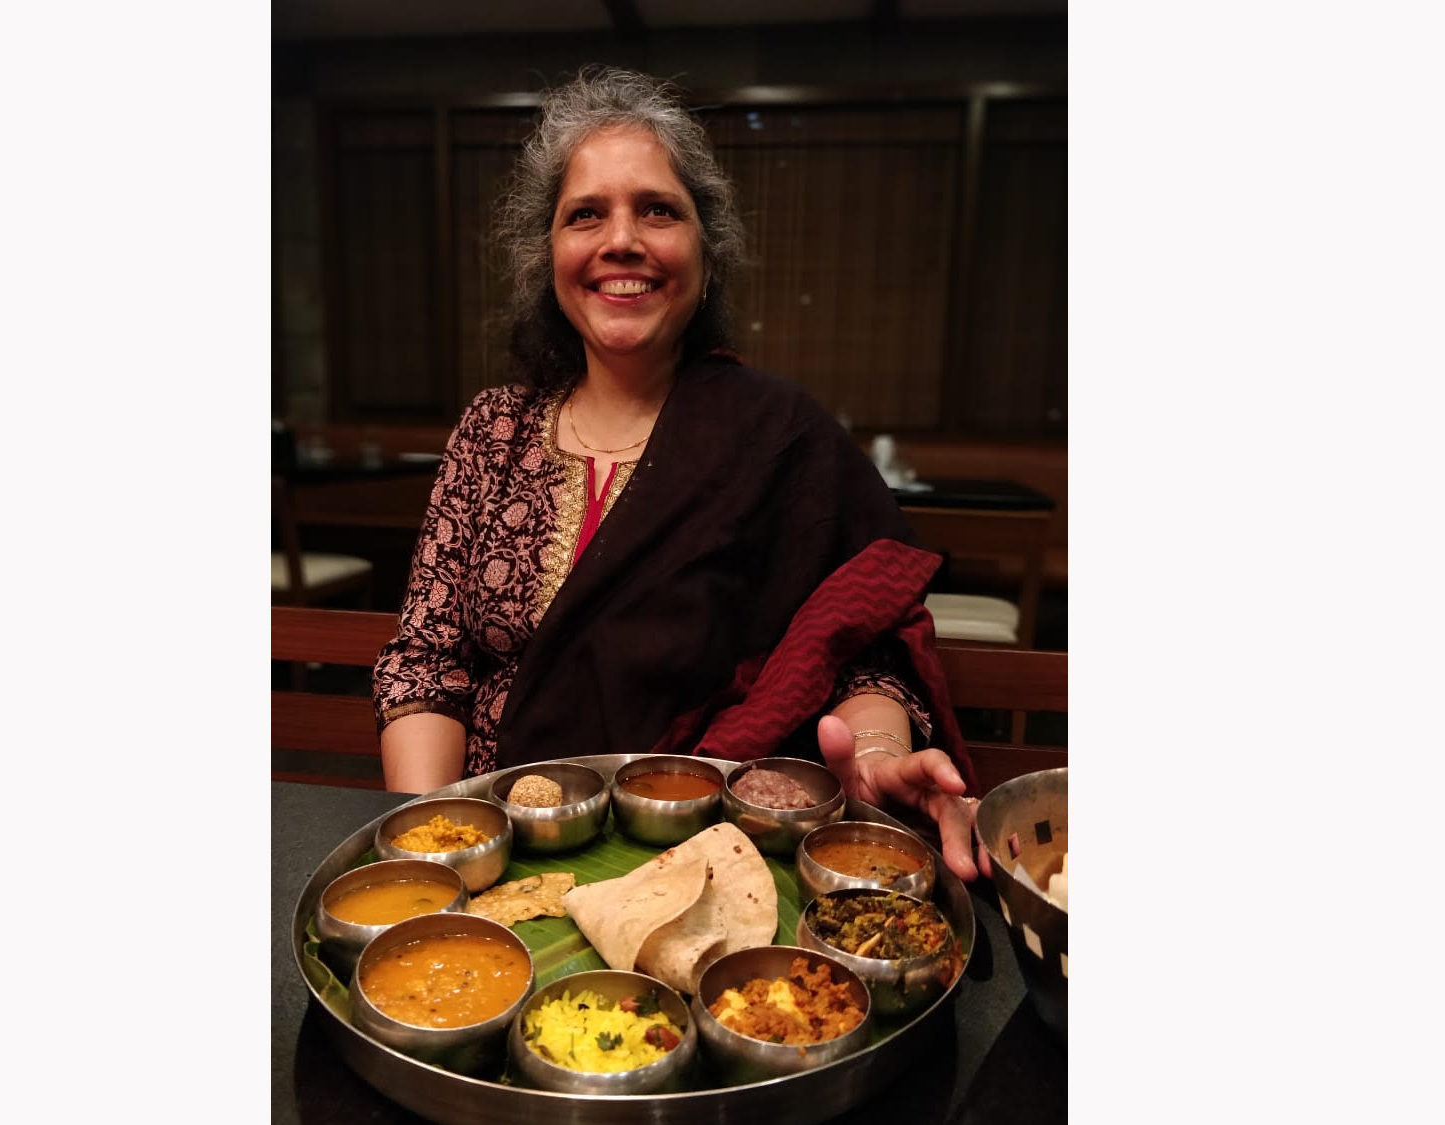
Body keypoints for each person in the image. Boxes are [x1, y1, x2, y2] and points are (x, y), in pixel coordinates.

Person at [372, 66, 990, 880]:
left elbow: (863, 647)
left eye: (658, 210)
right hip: (499, 849)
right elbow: (428, 662)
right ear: (549, 255)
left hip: (712, 858)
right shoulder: (493, 431)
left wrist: (875, 754)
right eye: (584, 214)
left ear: (707, 251)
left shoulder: (780, 437)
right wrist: (440, 849)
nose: (620, 239)